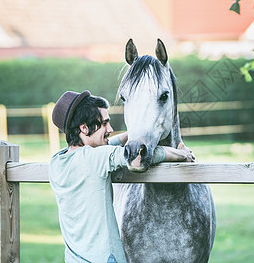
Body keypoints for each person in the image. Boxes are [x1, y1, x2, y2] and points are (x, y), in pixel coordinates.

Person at [49, 90, 194, 263]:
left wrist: (135, 133)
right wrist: (180, 154)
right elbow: (137, 158)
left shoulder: (57, 162)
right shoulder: (95, 158)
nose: (110, 129)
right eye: (104, 123)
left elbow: (110, 144)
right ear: (84, 128)